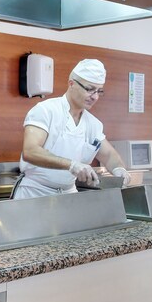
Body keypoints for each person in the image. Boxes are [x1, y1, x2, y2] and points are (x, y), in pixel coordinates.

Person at [12, 58, 130, 199]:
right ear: (71, 84)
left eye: (99, 91)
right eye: (90, 89)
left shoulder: (93, 124)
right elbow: (30, 151)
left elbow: (109, 155)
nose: (95, 97)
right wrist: (72, 165)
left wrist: (119, 169)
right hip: (35, 193)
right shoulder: (46, 110)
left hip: (68, 195)